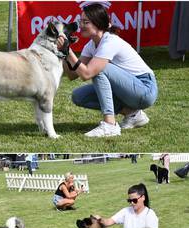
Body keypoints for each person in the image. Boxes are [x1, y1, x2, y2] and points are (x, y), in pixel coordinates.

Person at [58, 3, 158, 137]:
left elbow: (87, 73)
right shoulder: (91, 45)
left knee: (100, 68)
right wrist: (63, 52)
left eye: (85, 22)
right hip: (130, 90)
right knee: (79, 96)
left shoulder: (110, 41)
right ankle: (133, 114)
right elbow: (71, 74)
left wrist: (68, 51)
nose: (80, 26)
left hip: (145, 89)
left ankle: (110, 125)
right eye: (80, 21)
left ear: (98, 23)